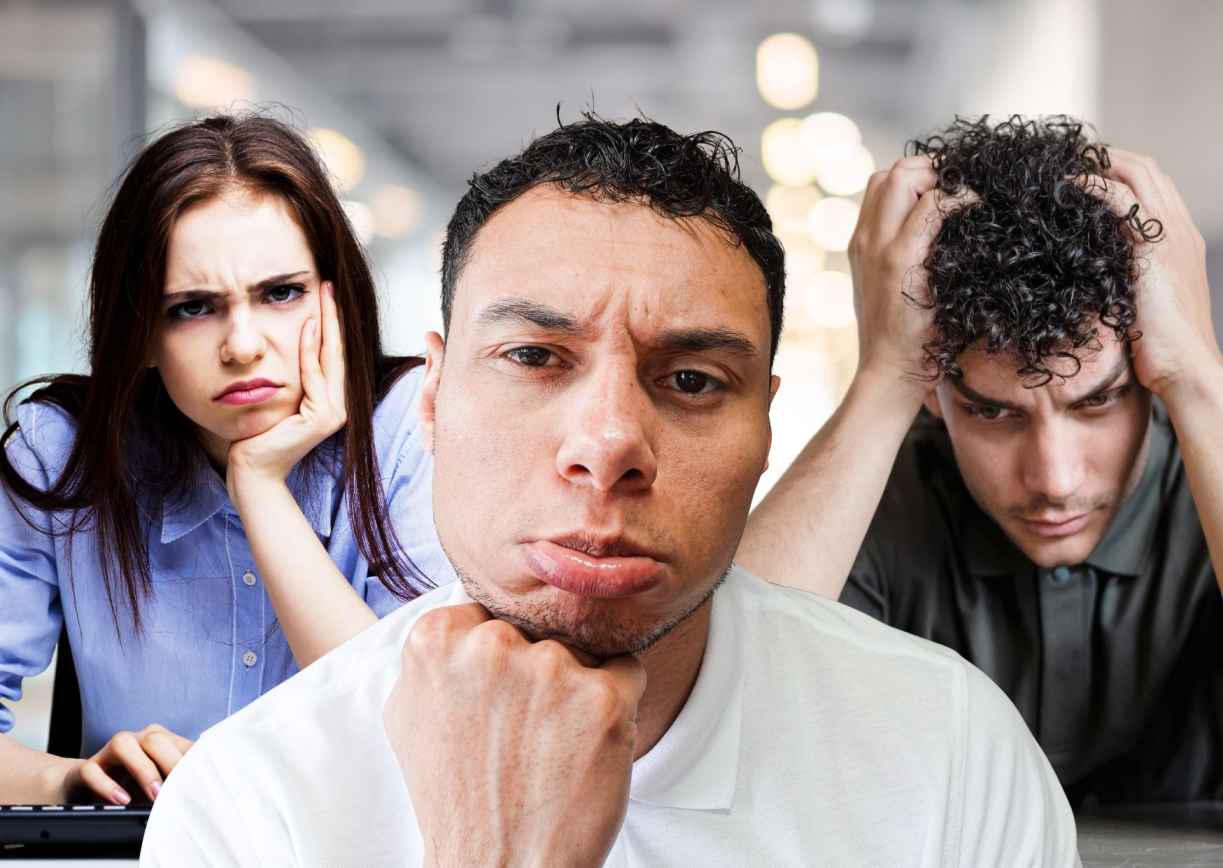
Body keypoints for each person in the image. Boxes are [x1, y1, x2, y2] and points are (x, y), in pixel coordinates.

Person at [141, 115, 1078, 866]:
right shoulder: (249, 802)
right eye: (534, 358)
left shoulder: (948, 748)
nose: (608, 444)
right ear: (432, 399)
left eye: (692, 380)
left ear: (763, 430)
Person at [739, 115, 1222, 803]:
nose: (1054, 480)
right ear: (934, 394)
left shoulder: (1205, 466)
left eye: (1096, 403)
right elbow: (720, 700)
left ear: (1150, 374)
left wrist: (1200, 376)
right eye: (992, 412)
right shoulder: (878, 502)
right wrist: (883, 378)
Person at [0, 114, 450, 806]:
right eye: (193, 308)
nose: (243, 344)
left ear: (335, 300)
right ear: (141, 332)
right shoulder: (62, 450)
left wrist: (260, 482)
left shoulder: (408, 428)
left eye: (281, 293)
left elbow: (413, 737)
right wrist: (71, 781)